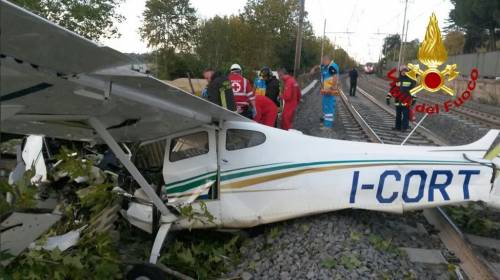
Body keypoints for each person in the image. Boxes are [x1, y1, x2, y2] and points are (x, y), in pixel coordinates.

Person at [386, 65, 417, 131]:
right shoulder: (397, 80)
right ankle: (397, 127)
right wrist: (388, 97)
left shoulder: (410, 80)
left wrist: (414, 98)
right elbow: (392, 90)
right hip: (398, 101)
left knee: (405, 115)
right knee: (398, 115)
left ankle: (404, 128)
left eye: (405, 71)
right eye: (403, 71)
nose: (404, 72)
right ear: (400, 71)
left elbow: (413, 90)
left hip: (406, 101)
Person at [319, 55, 340, 129]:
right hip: (326, 90)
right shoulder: (328, 66)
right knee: (326, 106)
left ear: (327, 60)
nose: (322, 62)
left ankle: (327, 125)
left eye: (323, 61)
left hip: (329, 91)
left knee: (328, 107)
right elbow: (320, 66)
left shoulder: (331, 66)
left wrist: (332, 87)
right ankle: (326, 122)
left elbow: (335, 76)